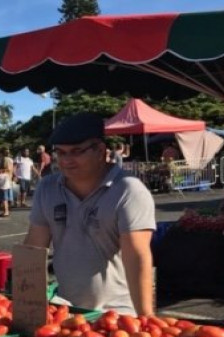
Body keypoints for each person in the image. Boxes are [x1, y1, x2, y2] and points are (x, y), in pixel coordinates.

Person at [24, 112, 156, 315]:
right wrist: (27, 308)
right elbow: (33, 247)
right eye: (61, 152)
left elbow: (136, 254)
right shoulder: (47, 188)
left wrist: (146, 317)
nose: (66, 160)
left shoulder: (128, 189)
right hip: (65, 308)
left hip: (118, 313)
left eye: (77, 151)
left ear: (100, 150)